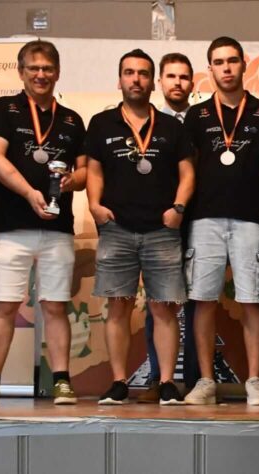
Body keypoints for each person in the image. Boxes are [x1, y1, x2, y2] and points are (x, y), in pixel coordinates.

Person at [0, 40, 87, 406]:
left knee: (55, 306)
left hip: (57, 228)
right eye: (33, 68)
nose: (41, 75)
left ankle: (62, 381)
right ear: (21, 72)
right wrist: (29, 193)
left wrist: (71, 181)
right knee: (5, 305)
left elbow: (85, 172)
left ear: (58, 72)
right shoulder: (3, 108)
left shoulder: (72, 119)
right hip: (13, 226)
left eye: (47, 68)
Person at [84, 49, 195, 405]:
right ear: (119, 80)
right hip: (116, 228)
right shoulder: (101, 123)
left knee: (164, 308)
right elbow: (94, 171)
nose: (136, 79)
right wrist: (94, 206)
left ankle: (167, 383)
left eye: (143, 73)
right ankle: (119, 382)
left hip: (162, 230)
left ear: (152, 82)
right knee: (118, 307)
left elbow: (187, 173)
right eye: (129, 73)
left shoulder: (172, 127)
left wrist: (178, 208)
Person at [182, 37, 259, 406]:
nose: (226, 68)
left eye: (232, 61)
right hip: (204, 219)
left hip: (250, 219)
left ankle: (254, 381)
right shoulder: (197, 115)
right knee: (203, 300)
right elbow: (187, 170)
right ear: (210, 68)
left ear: (244, 64)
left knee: (252, 300)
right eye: (219, 62)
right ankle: (206, 380)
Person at [138, 51, 200, 403]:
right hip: (159, 223)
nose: (177, 83)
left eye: (184, 77)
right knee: (159, 302)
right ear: (160, 81)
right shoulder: (146, 122)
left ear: (193, 83)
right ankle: (157, 379)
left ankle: (193, 381)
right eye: (171, 76)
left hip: (198, 220)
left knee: (197, 301)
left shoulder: (204, 120)